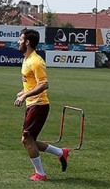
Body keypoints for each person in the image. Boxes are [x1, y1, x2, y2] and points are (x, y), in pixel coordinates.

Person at [13, 28, 69, 182]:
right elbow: (32, 84)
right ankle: (60, 152)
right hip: (32, 104)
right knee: (29, 139)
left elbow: (44, 84)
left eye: (21, 39)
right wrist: (23, 92)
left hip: (39, 105)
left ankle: (41, 174)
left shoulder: (36, 61)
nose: (18, 42)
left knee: (26, 139)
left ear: (27, 42)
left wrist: (25, 95)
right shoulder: (27, 59)